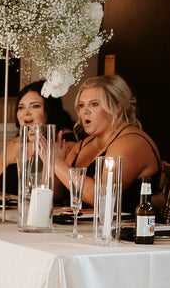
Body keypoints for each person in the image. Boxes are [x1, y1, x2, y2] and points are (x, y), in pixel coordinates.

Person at [51, 74, 162, 214]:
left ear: (117, 108)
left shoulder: (132, 142)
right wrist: (49, 159)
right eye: (81, 105)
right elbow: (59, 195)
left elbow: (101, 197)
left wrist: (58, 164)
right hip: (83, 224)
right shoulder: (83, 145)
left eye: (94, 104)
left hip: (129, 226)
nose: (85, 111)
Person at [0, 81, 76, 195]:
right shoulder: (15, 143)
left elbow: (55, 195)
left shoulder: (65, 142)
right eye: (21, 107)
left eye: (35, 106)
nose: (26, 113)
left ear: (50, 110)